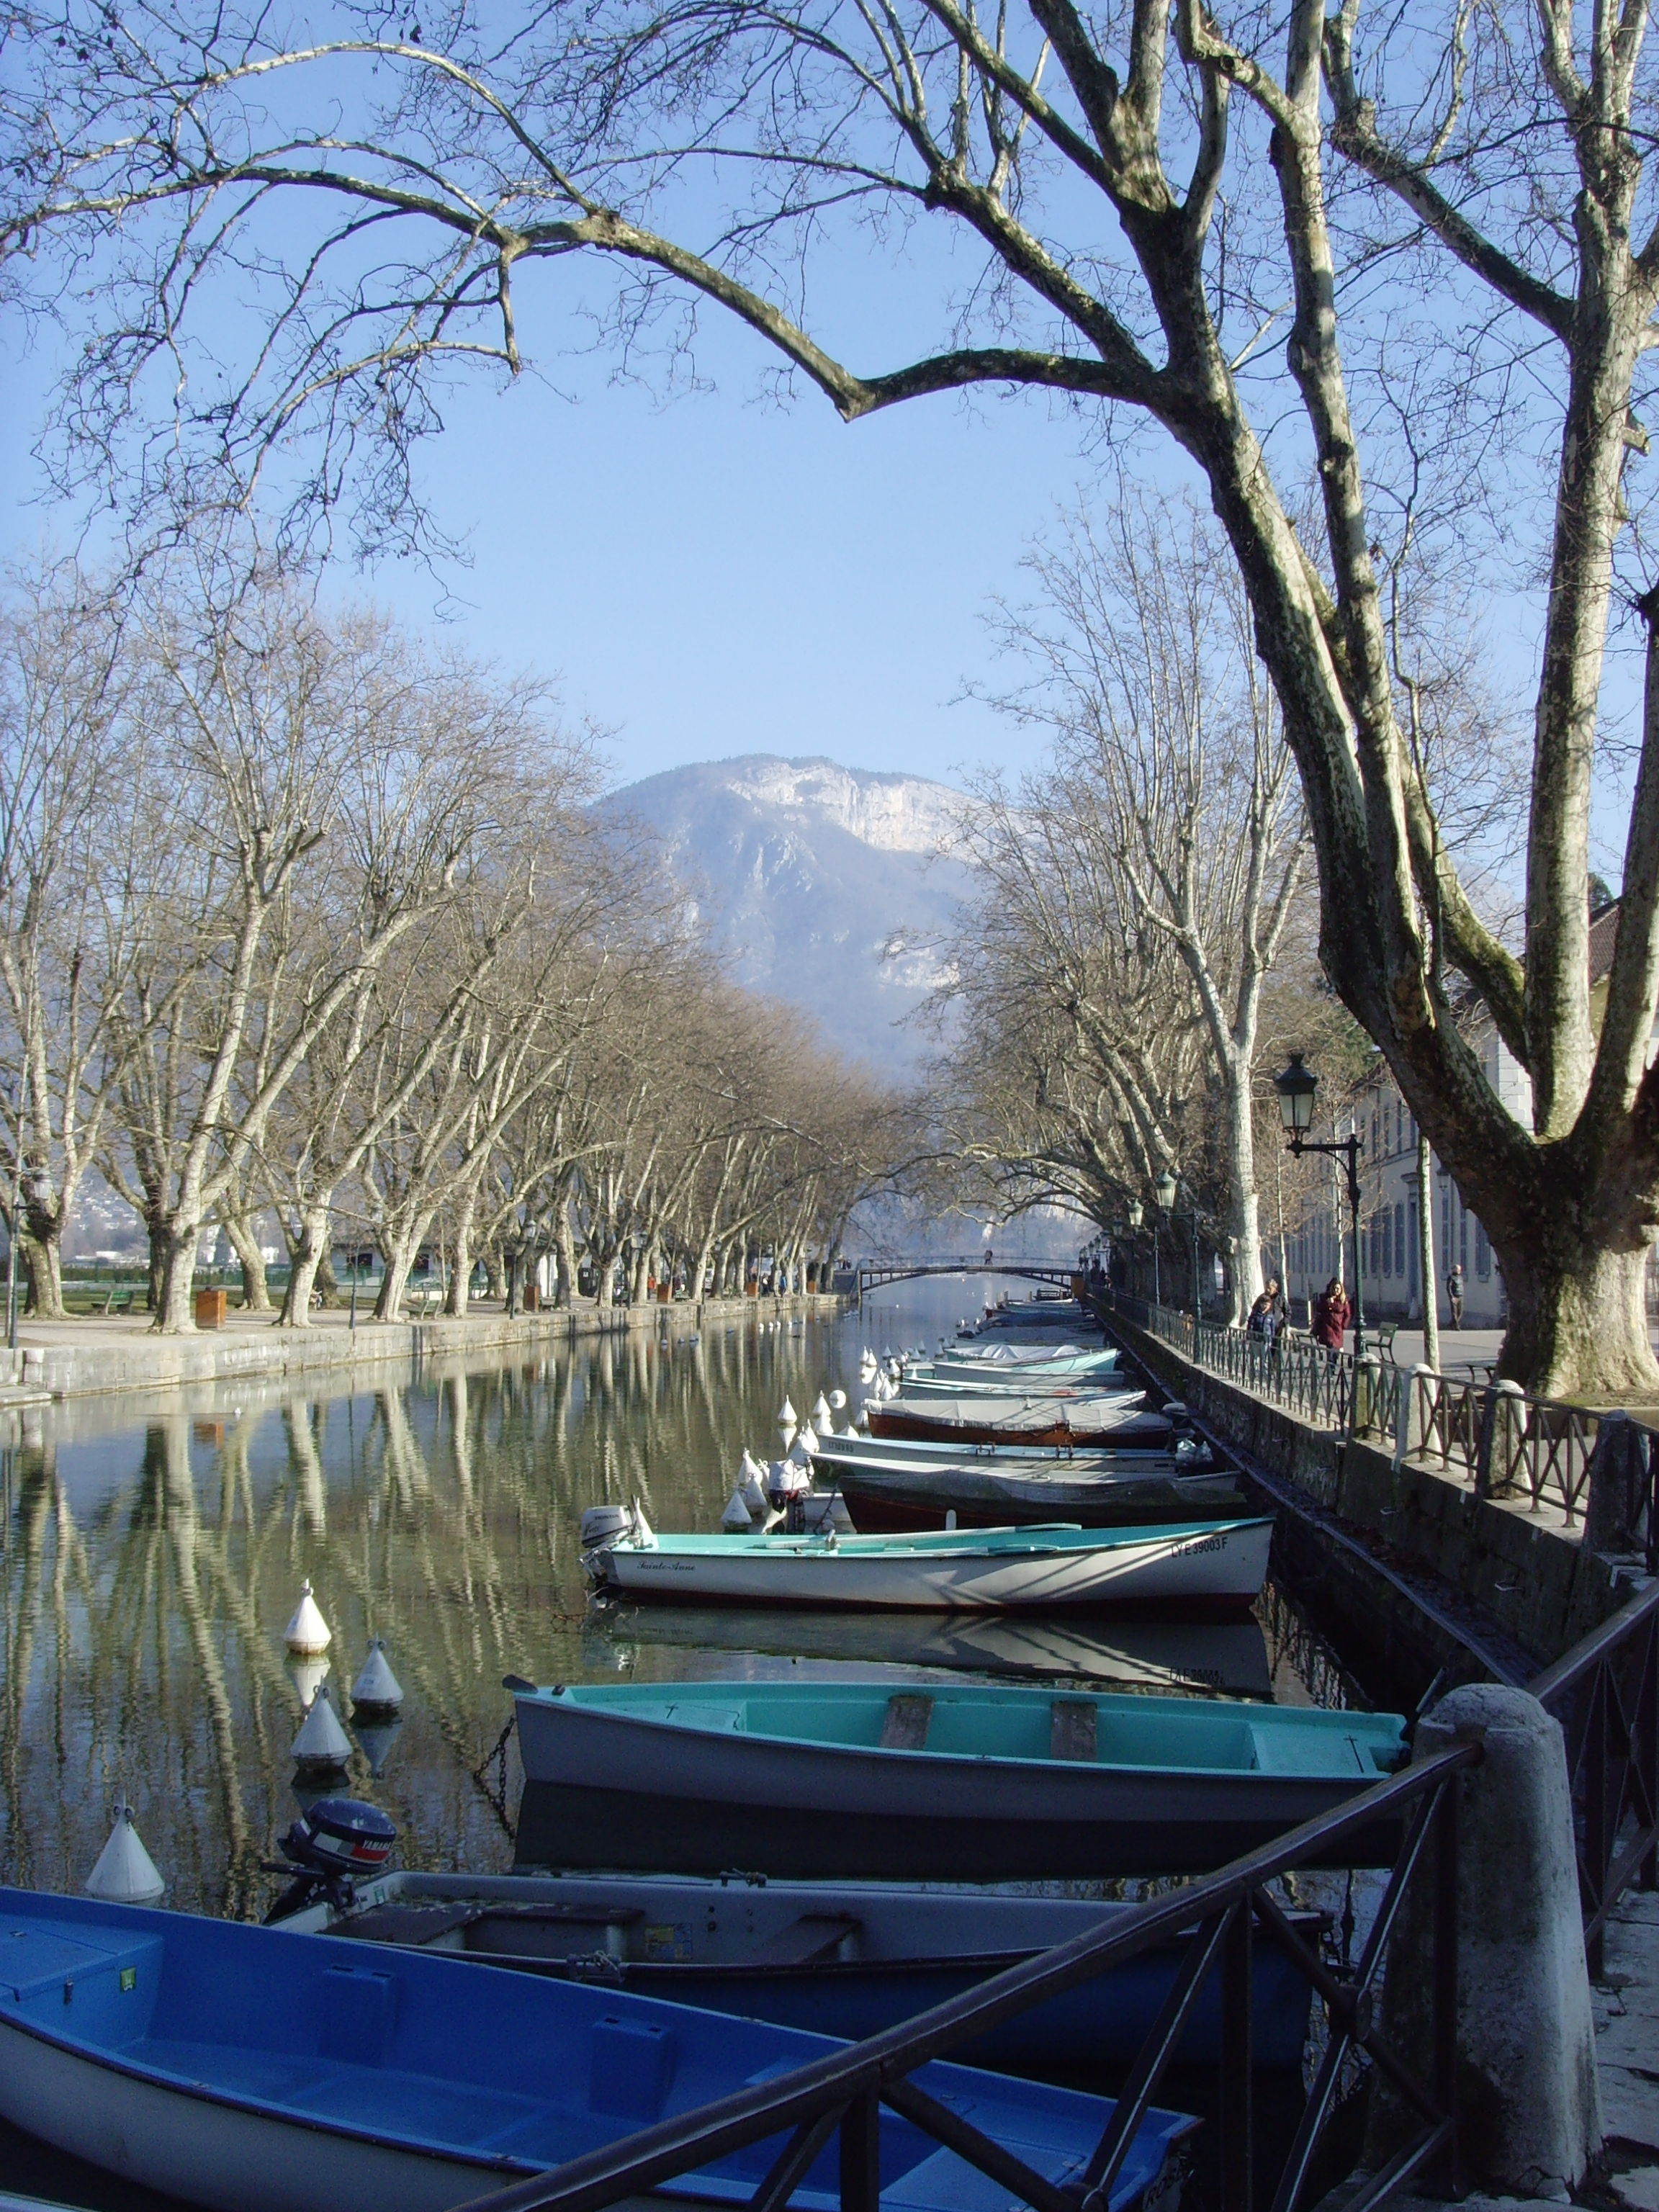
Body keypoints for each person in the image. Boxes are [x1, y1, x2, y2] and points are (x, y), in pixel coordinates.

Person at [1312, 1276, 1351, 1349]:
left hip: (1338, 1327)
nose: (1336, 1290)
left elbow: (1347, 1314)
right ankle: (1331, 1356)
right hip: (1328, 1327)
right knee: (1330, 1345)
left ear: (1341, 1290)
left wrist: (1343, 1325)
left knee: (1336, 1348)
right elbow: (1319, 1308)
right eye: (1335, 1288)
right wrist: (1328, 1303)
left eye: (1338, 1289)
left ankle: (1333, 1356)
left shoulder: (1343, 1301)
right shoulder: (1326, 1298)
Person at [1447, 1262, 1465, 1329]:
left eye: (1460, 1269)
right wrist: (1451, 1297)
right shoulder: (1451, 1277)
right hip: (1454, 1296)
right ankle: (1456, 1326)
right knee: (1454, 1312)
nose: (1459, 1271)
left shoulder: (1460, 1277)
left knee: (1460, 1312)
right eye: (1458, 1269)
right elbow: (1448, 1287)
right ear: (1454, 1269)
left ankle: (1451, 1324)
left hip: (1460, 1296)